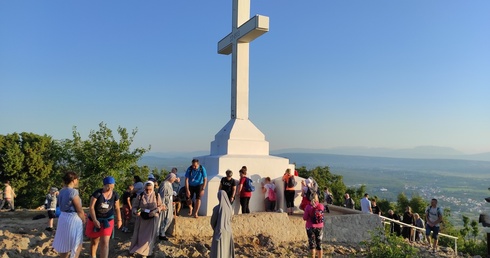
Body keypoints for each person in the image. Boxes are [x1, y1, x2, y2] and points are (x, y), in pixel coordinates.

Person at [86, 176, 122, 258]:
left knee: (105, 242)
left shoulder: (115, 194)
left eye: (111, 187)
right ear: (104, 185)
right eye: (108, 187)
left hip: (108, 220)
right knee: (95, 241)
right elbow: (91, 207)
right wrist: (94, 220)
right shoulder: (97, 193)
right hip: (95, 219)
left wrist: (119, 219)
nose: (109, 189)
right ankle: (93, 256)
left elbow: (117, 207)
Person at [52, 171, 86, 258]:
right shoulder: (73, 192)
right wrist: (83, 219)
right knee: (77, 244)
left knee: (64, 243)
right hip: (73, 218)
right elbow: (79, 208)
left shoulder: (62, 191)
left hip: (63, 217)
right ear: (74, 180)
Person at [129, 181, 164, 257]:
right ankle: (135, 249)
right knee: (139, 236)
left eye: (150, 189)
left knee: (149, 237)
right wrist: (136, 212)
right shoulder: (140, 195)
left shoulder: (156, 195)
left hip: (152, 219)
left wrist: (155, 211)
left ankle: (145, 253)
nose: (148, 191)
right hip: (141, 218)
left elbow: (161, 206)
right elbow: (135, 207)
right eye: (147, 189)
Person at [210, 190, 235, 258]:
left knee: (218, 251)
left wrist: (215, 228)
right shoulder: (230, 208)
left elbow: (213, 222)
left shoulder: (217, 208)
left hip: (219, 231)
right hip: (228, 231)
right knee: (226, 250)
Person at [303, 192, 324, 258]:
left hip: (310, 227)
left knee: (312, 244)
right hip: (319, 226)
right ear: (317, 198)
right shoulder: (321, 206)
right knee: (319, 244)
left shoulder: (308, 207)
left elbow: (305, 218)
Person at [158, 173, 177, 241]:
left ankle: (163, 232)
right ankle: (162, 233)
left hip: (169, 203)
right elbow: (162, 195)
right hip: (165, 204)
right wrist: (162, 204)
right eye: (174, 178)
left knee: (169, 218)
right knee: (164, 218)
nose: (174, 180)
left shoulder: (170, 184)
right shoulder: (164, 184)